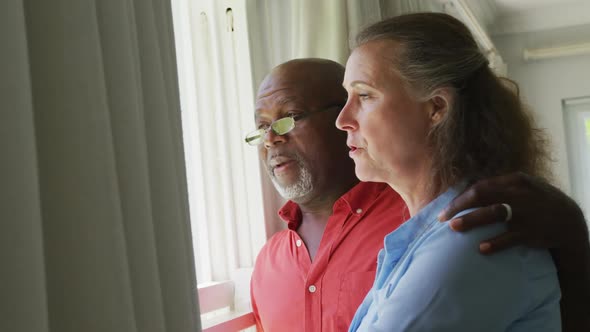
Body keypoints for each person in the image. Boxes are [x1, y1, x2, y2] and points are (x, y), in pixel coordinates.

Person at [248, 58, 589, 331]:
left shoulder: (448, 217)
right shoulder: (267, 265)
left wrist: (572, 237)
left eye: (289, 118)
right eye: (262, 126)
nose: (271, 139)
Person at [335, 12, 566, 331]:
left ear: (437, 108)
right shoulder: (440, 234)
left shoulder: (472, 239)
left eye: (364, 95)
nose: (343, 119)